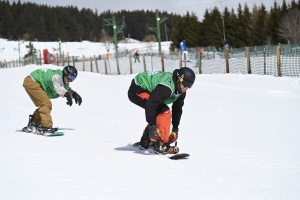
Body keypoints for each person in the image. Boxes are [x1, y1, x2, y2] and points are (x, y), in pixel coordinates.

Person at [128, 67, 196, 154]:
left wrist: (175, 129)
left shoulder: (181, 91)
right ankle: (162, 145)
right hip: (137, 89)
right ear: (179, 79)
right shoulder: (166, 87)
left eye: (189, 86)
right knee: (164, 112)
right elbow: (151, 105)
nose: (185, 88)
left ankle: (145, 141)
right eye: (184, 84)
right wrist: (153, 126)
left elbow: (177, 109)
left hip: (149, 91)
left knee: (160, 113)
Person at [22, 65, 82, 135]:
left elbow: (65, 89)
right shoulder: (56, 76)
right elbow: (57, 86)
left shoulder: (65, 82)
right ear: (65, 73)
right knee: (46, 104)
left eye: (73, 79)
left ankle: (33, 124)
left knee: (44, 105)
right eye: (69, 77)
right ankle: (45, 127)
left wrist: (74, 94)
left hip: (37, 84)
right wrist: (66, 95)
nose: (70, 80)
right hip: (32, 82)